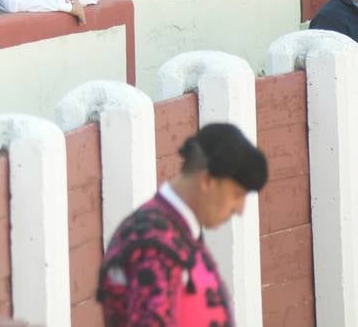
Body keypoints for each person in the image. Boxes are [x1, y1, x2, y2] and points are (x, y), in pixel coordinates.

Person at [97, 123, 268, 325]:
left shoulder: (171, 230)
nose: (240, 209)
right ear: (207, 181)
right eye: (236, 195)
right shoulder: (154, 243)